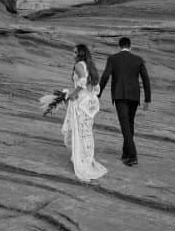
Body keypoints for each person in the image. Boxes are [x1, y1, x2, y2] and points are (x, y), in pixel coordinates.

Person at [98, 37, 151, 166]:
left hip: (120, 95)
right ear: (130, 46)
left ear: (119, 47)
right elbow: (146, 79)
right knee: (130, 124)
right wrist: (147, 99)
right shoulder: (138, 59)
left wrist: (98, 93)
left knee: (125, 125)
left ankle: (132, 155)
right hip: (134, 96)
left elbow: (105, 75)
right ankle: (125, 154)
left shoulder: (113, 58)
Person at [61, 43, 107, 183]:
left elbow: (82, 81)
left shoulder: (79, 65)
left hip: (81, 103)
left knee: (80, 131)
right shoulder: (90, 66)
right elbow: (95, 86)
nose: (72, 54)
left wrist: (72, 94)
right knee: (87, 131)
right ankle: (86, 157)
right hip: (90, 103)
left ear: (80, 53)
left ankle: (82, 159)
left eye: (74, 52)